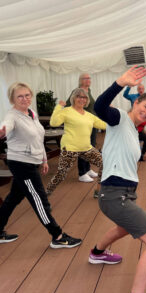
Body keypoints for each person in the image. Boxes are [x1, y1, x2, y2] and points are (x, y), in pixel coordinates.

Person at [92, 66, 146, 293]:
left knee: (125, 227)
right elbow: (100, 107)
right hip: (114, 194)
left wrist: (143, 157)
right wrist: (119, 83)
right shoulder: (120, 118)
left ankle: (97, 253)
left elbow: (122, 156)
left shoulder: (132, 132)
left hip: (125, 192)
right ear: (135, 104)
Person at [0, 82, 82, 248]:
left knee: (13, 198)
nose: (24, 99)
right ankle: (57, 236)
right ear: (12, 99)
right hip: (21, 164)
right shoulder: (12, 116)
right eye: (20, 96)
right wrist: (2, 131)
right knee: (39, 200)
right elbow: (6, 125)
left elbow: (38, 138)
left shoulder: (31, 113)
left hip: (33, 161)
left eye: (27, 95)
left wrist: (44, 160)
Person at [46, 89, 106, 197]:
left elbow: (103, 125)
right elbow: (53, 123)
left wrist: (115, 120)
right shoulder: (66, 111)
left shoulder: (89, 115)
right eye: (79, 96)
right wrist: (58, 107)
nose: (82, 99)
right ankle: (46, 194)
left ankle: (98, 191)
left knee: (105, 164)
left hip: (86, 148)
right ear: (73, 98)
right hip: (70, 148)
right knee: (61, 175)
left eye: (84, 97)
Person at [66, 73, 99, 183]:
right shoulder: (77, 91)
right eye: (86, 78)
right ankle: (82, 173)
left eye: (89, 78)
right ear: (81, 80)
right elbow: (67, 105)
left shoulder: (88, 91)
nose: (88, 80)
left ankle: (87, 169)